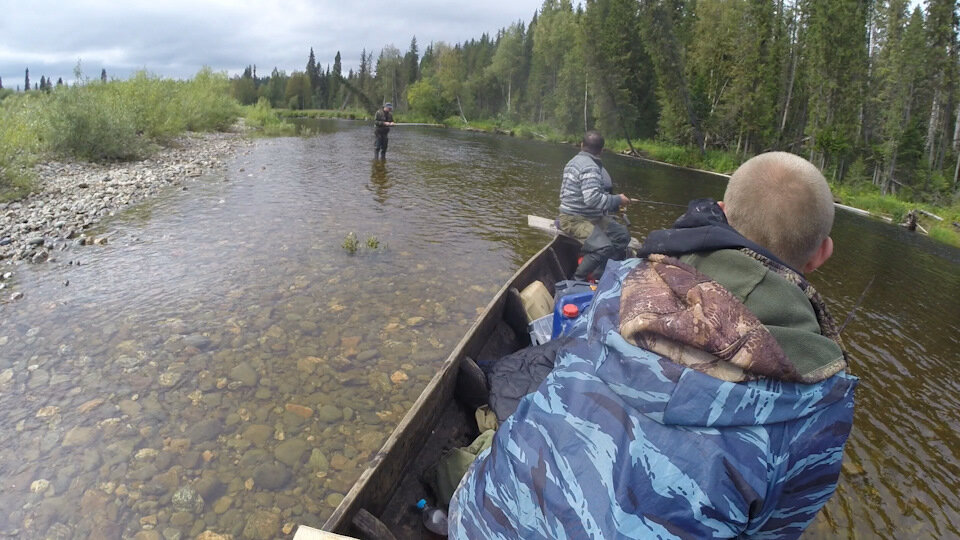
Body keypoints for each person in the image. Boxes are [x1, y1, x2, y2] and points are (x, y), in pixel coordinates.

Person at [449, 152, 858, 539]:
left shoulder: (624, 281)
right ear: (822, 254)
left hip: (471, 521)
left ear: (723, 212)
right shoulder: (822, 409)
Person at [558, 130, 631, 280]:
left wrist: (613, 201)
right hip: (574, 219)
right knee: (603, 247)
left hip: (590, 216)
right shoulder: (590, 167)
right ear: (601, 151)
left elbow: (591, 198)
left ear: (581, 145)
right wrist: (618, 199)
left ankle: (599, 274)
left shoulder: (573, 161)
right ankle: (577, 279)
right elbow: (592, 200)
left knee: (622, 236)